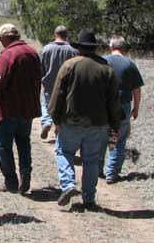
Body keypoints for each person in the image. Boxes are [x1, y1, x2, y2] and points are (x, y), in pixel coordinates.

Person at [49, 30, 121, 209]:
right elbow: (113, 100)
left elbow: (58, 95)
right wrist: (115, 124)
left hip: (71, 121)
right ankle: (89, 198)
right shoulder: (107, 69)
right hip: (98, 123)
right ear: (94, 48)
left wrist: (55, 119)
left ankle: (68, 185)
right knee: (91, 160)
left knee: (64, 152)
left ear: (78, 48)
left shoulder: (69, 65)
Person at [0, 23, 42, 193]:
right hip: (28, 107)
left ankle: (10, 181)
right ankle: (26, 174)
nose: (1, 43)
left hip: (9, 108)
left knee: (4, 144)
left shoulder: (8, 55)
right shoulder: (33, 52)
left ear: (5, 37)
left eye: (1, 39)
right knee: (24, 141)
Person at [100, 35, 144, 184]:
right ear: (123, 48)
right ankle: (112, 174)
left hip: (103, 106)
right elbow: (137, 90)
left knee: (100, 138)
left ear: (111, 47)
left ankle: (97, 169)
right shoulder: (130, 64)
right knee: (118, 140)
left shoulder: (102, 61)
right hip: (123, 107)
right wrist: (136, 108)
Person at [40, 25, 78, 139]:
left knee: (47, 105)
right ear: (66, 36)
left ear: (55, 35)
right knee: (63, 107)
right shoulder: (73, 51)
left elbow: (41, 68)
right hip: (66, 85)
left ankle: (46, 122)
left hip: (49, 84)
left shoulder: (46, 49)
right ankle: (59, 128)